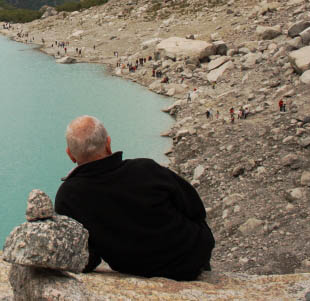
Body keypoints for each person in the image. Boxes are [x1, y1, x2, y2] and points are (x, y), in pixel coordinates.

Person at [54, 116, 214, 280]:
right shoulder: (146, 169)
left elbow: (88, 257)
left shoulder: (68, 196)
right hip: (192, 260)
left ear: (71, 155)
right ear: (108, 144)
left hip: (137, 268)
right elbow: (196, 209)